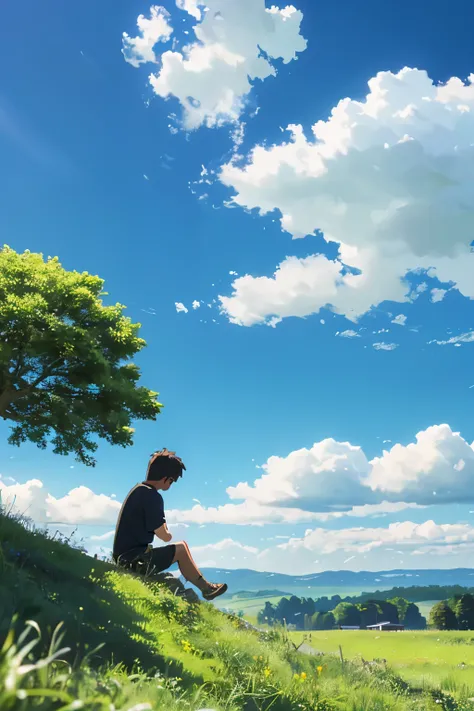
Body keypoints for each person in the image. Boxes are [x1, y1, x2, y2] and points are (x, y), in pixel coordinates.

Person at [113, 448, 228, 601]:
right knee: (181, 548)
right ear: (166, 478)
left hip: (124, 558)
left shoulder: (137, 490)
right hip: (134, 562)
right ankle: (206, 589)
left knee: (181, 546)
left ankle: (206, 587)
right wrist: (166, 526)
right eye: (172, 481)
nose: (171, 485)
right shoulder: (152, 496)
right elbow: (164, 536)